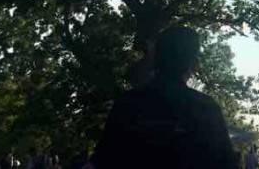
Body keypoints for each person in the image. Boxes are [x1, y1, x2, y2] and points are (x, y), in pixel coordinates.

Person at [91, 26, 237, 168]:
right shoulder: (206, 109)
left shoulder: (127, 104)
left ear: (155, 57)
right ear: (193, 63)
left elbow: (102, 160)